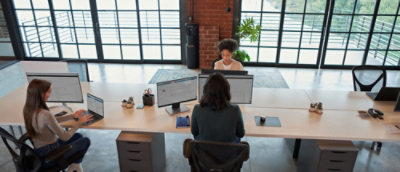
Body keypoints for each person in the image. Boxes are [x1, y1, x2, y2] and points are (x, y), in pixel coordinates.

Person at [23, 79, 92, 172]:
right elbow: (65, 137)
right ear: (41, 94)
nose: (50, 94)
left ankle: (76, 166)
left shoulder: (29, 109)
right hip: (51, 157)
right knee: (86, 141)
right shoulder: (45, 114)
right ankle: (74, 167)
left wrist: (72, 116)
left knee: (78, 136)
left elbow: (50, 121)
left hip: (40, 151)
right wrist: (80, 123)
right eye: (48, 92)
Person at [191, 73, 245, 143]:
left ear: (206, 90)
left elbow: (194, 132)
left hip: (204, 152)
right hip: (229, 153)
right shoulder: (235, 110)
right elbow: (241, 134)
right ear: (226, 91)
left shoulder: (197, 109)